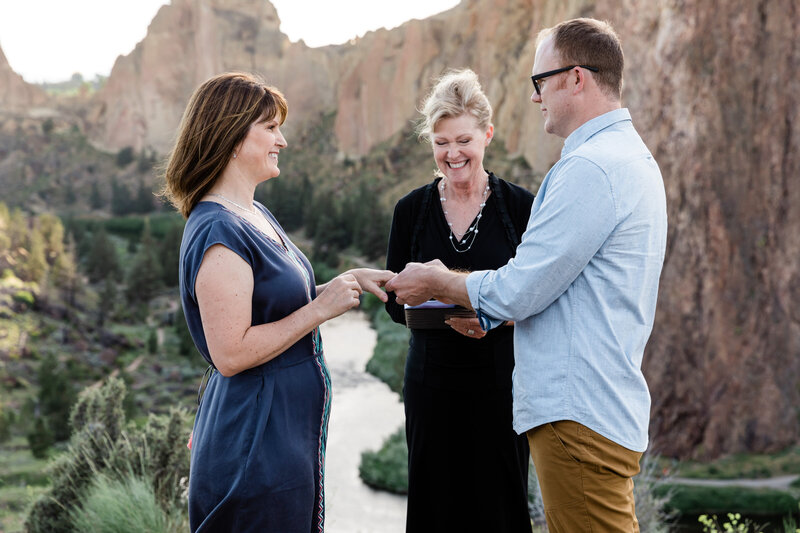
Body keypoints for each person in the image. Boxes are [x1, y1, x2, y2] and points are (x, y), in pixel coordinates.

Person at [386, 18, 668, 533]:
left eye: (541, 81)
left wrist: (439, 282)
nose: (536, 96)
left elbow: (519, 290)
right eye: (441, 141)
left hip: (575, 411)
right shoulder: (624, 158)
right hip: (573, 405)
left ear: (576, 78)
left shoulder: (590, 169)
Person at [162, 72, 394, 533]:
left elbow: (272, 302)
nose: (282, 140)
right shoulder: (218, 231)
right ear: (230, 137)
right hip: (255, 440)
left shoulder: (252, 213)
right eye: (270, 128)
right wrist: (318, 311)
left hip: (280, 434)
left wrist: (341, 283)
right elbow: (231, 353)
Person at [385, 69, 534, 532]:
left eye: (464, 140)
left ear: (487, 135)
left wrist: (487, 314)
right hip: (431, 386)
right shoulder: (410, 210)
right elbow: (394, 304)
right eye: (441, 141)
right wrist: (433, 301)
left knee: (501, 508)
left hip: (502, 386)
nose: (452, 154)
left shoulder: (520, 208)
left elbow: (538, 299)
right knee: (435, 509)